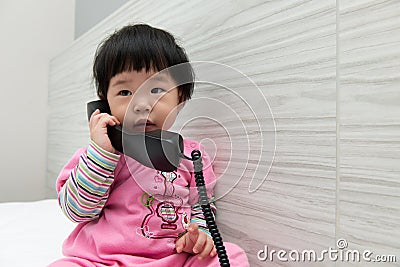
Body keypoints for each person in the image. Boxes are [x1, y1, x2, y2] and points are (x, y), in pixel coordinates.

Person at [49, 24, 249, 267]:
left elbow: (202, 207)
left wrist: (200, 236)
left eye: (156, 89)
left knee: (231, 254)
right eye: (125, 91)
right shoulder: (96, 157)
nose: (141, 104)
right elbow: (77, 211)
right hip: (103, 261)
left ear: (181, 96)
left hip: (174, 260)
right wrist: (102, 155)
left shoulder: (192, 156)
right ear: (105, 102)